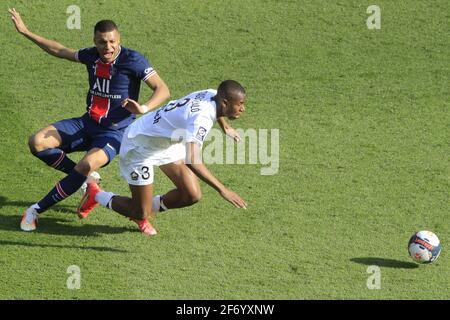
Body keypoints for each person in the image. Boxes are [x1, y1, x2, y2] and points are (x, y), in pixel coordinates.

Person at [8, 8, 173, 231]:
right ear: (95, 41)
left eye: (112, 41)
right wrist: (27, 32)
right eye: (102, 42)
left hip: (115, 133)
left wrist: (142, 107)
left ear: (119, 39)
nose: (108, 47)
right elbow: (59, 50)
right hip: (87, 123)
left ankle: (35, 210)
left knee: (87, 164)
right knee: (37, 142)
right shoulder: (91, 55)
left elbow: (162, 89)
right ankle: (85, 181)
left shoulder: (133, 59)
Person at [79, 80, 248, 235]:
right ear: (225, 102)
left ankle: (143, 206)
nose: (243, 108)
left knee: (191, 194)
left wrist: (225, 127)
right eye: (240, 104)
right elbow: (192, 160)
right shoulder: (201, 119)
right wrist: (223, 190)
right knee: (140, 212)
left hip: (165, 142)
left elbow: (217, 108)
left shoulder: (213, 94)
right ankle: (95, 194)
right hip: (140, 146)